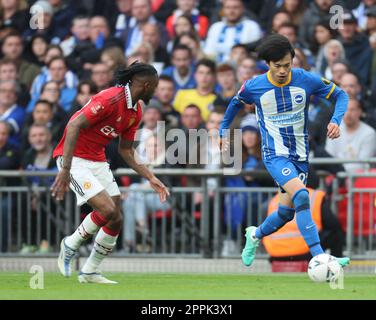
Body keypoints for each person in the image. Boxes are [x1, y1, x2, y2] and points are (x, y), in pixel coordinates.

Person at [219, 34, 351, 269]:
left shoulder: (305, 79)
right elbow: (234, 105)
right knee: (302, 195)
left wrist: (336, 120)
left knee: (286, 213)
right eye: (277, 66)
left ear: (292, 60)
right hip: (274, 155)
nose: (283, 70)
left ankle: (255, 235)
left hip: (300, 156)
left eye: (287, 65)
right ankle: (321, 257)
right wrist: (222, 130)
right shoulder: (254, 86)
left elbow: (341, 95)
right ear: (268, 64)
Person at [51, 62, 170, 284]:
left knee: (116, 217)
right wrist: (65, 169)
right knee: (106, 209)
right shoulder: (110, 98)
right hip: (73, 159)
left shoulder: (137, 110)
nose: (156, 90)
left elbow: (126, 150)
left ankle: (89, 271)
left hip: (96, 159)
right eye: (155, 86)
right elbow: (75, 125)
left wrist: (151, 177)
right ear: (146, 85)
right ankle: (70, 244)